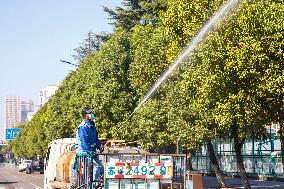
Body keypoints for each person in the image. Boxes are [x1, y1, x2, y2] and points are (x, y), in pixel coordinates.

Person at [74, 107, 104, 182]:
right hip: (84, 152)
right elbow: (84, 143)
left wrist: (99, 145)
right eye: (89, 113)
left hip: (91, 152)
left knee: (101, 168)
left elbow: (95, 138)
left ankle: (96, 184)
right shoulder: (83, 127)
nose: (92, 114)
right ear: (85, 115)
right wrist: (90, 152)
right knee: (96, 168)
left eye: (92, 113)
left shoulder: (92, 126)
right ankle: (92, 185)